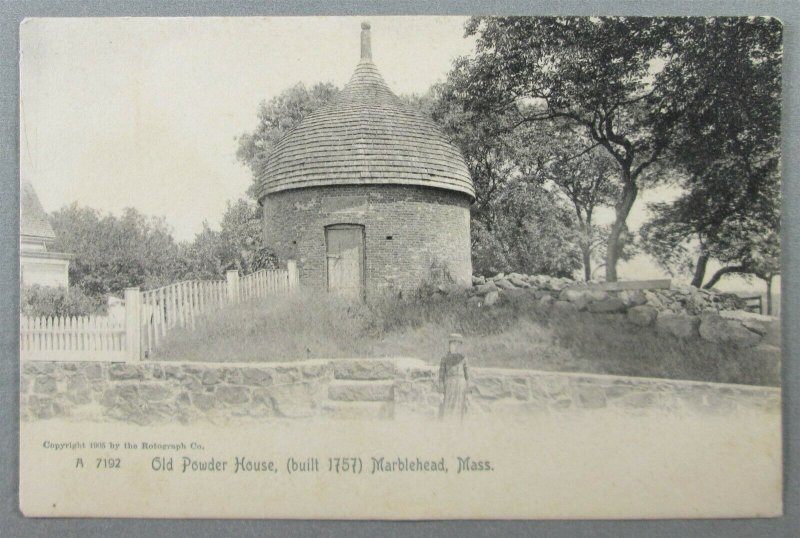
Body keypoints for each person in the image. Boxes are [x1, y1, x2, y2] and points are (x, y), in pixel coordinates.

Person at [438, 333, 469, 421]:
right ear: (449, 345)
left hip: (461, 386)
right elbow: (441, 377)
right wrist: (441, 392)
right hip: (449, 387)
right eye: (453, 344)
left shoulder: (463, 359)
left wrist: (468, 392)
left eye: (458, 344)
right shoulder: (444, 358)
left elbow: (468, 377)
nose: (455, 347)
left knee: (460, 410)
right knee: (448, 409)